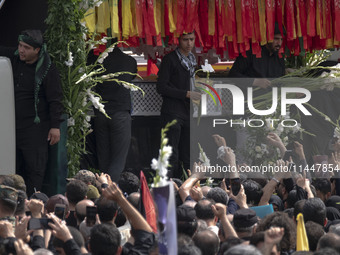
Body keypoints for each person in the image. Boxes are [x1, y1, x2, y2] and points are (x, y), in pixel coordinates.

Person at [0, 29, 63, 196]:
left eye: (26, 47)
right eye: (20, 45)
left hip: (35, 131)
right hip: (13, 128)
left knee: (34, 171)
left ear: (37, 50)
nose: (21, 50)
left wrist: (55, 127)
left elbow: (55, 100)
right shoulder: (14, 58)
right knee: (13, 170)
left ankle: (32, 207)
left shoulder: (47, 69)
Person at [156, 31, 201, 178]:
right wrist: (186, 94)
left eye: (192, 39)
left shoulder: (193, 60)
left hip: (188, 111)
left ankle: (187, 183)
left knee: (188, 152)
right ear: (179, 41)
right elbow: (161, 87)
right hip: (172, 111)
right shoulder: (170, 60)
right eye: (185, 40)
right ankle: (169, 184)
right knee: (171, 153)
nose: (189, 43)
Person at [91, 46, 137, 182]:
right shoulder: (129, 61)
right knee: (118, 159)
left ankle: (102, 189)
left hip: (100, 113)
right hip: (120, 113)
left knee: (103, 158)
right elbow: (132, 76)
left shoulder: (95, 60)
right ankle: (112, 192)